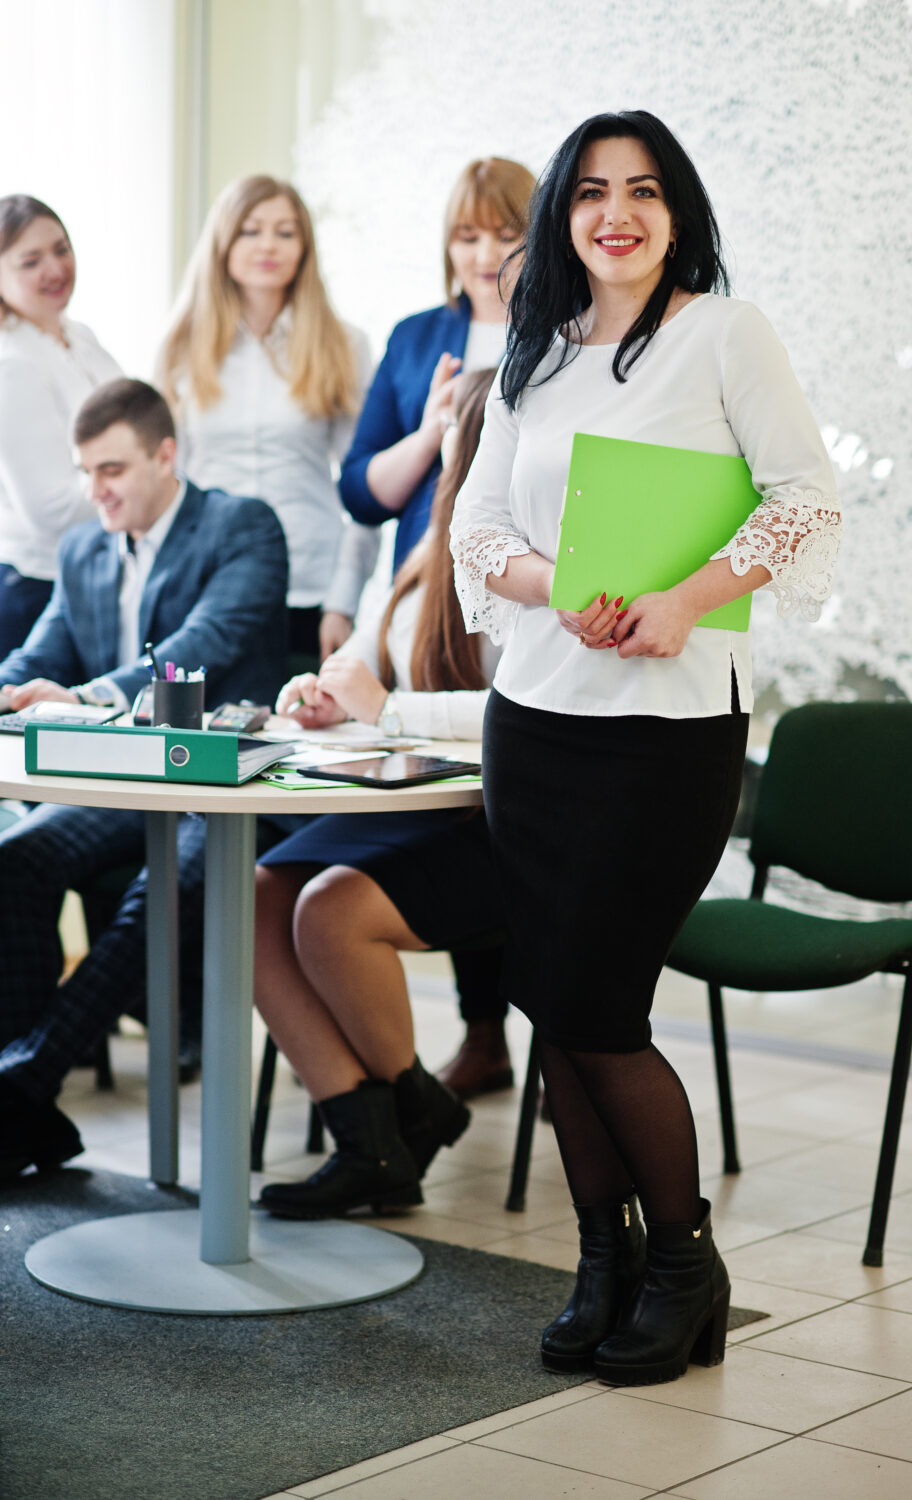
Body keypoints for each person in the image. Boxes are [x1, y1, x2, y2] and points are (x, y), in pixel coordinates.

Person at [450, 110, 842, 1387]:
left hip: (666, 731)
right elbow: (476, 533)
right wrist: (549, 587)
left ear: (676, 212)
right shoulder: (534, 350)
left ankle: (683, 1265)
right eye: (591, 193)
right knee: (555, 1011)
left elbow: (804, 497)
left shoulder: (723, 333)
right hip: (538, 721)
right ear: (563, 216)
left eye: (644, 191)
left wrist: (683, 597)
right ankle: (601, 1258)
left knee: (600, 1012)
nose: (616, 213)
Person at [0, 378, 288, 1180]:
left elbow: (204, 643)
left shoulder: (242, 526)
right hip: (124, 785)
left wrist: (89, 695)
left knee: (164, 885)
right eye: (86, 471)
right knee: (16, 861)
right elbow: (39, 655)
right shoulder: (84, 548)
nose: (96, 491)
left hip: (223, 789)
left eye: (113, 470)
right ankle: (23, 1103)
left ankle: (23, 1081)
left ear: (167, 454)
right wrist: (8, 688)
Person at [254, 369, 503, 1219]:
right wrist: (323, 696)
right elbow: (358, 668)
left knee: (328, 911)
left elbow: (529, 712)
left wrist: (390, 707)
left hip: (495, 827)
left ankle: (396, 1124)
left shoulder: (538, 569)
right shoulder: (424, 557)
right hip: (408, 810)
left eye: (454, 447)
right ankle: (383, 1135)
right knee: (248, 897)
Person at [339, 157, 535, 1097]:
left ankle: (550, 1043)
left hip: (517, 588)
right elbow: (361, 489)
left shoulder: (568, 339)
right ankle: (481, 1036)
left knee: (496, 796)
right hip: (427, 588)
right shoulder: (420, 338)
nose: (486, 252)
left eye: (506, 233)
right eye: (468, 235)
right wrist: (431, 431)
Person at [158, 174, 377, 667]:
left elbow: (362, 489)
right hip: (205, 591)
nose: (268, 246)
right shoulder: (180, 348)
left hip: (310, 589)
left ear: (304, 247)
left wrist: (343, 601)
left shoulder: (345, 344)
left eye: (285, 231)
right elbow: (169, 485)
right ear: (223, 242)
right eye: (251, 230)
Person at [0, 195, 121, 656]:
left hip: (87, 574)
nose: (55, 269)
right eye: (31, 261)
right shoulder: (13, 363)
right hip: (36, 587)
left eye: (61, 249)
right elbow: (50, 509)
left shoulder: (80, 336)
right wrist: (148, 495)